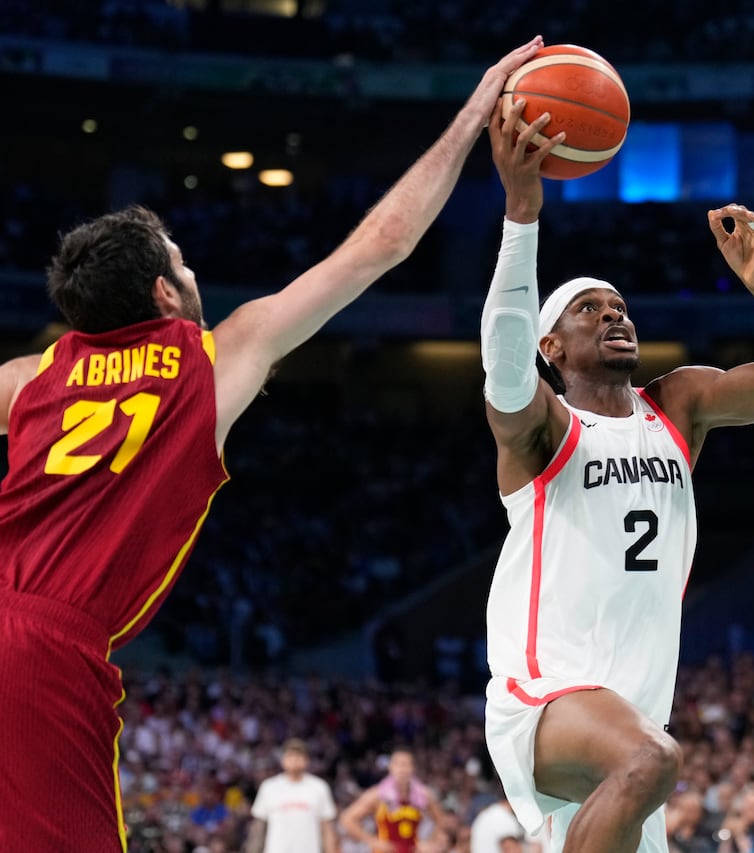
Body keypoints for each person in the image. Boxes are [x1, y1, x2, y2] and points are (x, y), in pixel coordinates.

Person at [0, 35, 546, 853]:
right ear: (162, 291)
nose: (194, 277)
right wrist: (474, 111)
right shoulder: (213, 359)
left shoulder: (28, 376)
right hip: (43, 651)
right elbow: (382, 244)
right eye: (183, 264)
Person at [478, 102, 754, 853]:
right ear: (553, 343)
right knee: (653, 756)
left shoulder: (678, 404)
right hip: (546, 698)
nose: (615, 316)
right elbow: (503, 359)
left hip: (633, 718)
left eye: (620, 307)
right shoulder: (542, 427)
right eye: (589, 309)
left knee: (648, 756)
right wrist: (522, 211)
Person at [338, 747, 444, 853]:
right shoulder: (378, 795)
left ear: (413, 768)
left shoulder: (422, 794)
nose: (402, 769)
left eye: (406, 765)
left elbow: (441, 820)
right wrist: (371, 841)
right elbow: (347, 819)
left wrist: (430, 842)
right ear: (391, 767)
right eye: (398, 764)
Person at [247, 739, 338, 853]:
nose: (294, 760)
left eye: (299, 756)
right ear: (283, 760)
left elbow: (327, 828)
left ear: (306, 760)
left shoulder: (319, 787)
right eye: (290, 756)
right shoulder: (269, 787)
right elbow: (258, 828)